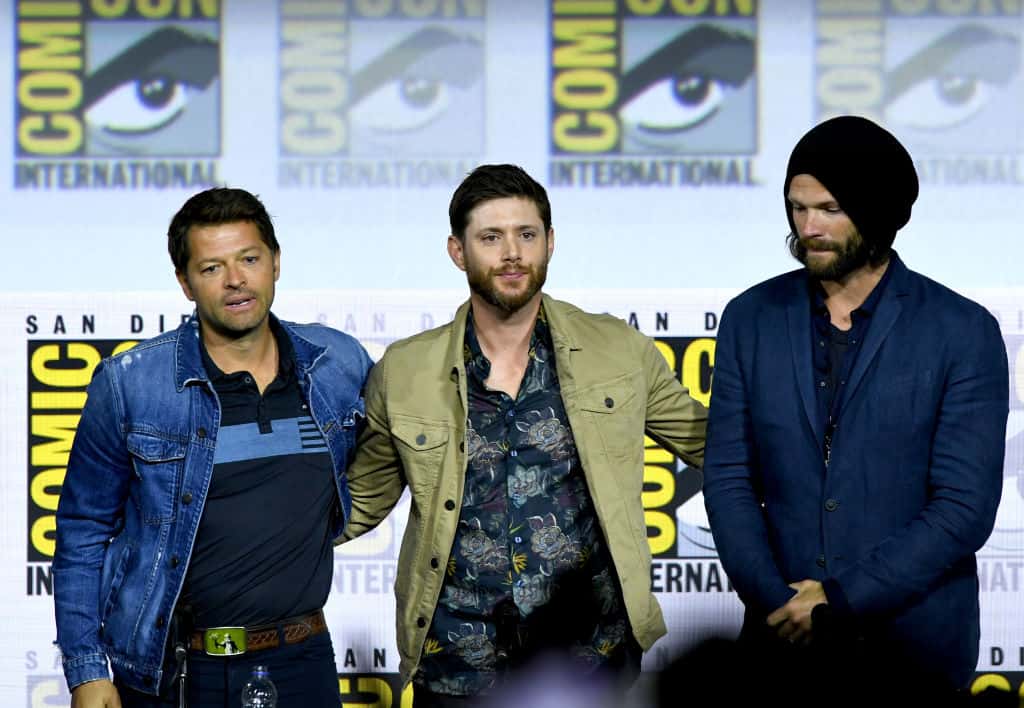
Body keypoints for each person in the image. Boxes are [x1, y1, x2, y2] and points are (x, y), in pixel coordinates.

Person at [343, 164, 708, 705]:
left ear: (550, 242)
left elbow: (715, 447)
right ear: (458, 251)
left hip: (590, 658)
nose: (512, 253)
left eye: (527, 234)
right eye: (491, 237)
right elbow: (359, 502)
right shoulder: (404, 371)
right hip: (455, 661)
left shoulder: (620, 350)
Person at [702, 115, 1009, 696]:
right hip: (780, 644)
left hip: (913, 650)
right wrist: (778, 602)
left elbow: (963, 506)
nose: (808, 227)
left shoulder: (961, 331)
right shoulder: (750, 318)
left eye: (830, 209)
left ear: (877, 213)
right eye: (797, 208)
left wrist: (839, 599)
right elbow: (728, 477)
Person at [53, 188, 372, 707]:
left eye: (249, 259)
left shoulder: (337, 363)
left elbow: (388, 460)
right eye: (211, 268)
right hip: (175, 673)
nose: (235, 280)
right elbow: (82, 530)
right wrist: (86, 669)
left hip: (303, 662)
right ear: (185, 282)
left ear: (275, 262)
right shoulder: (130, 384)